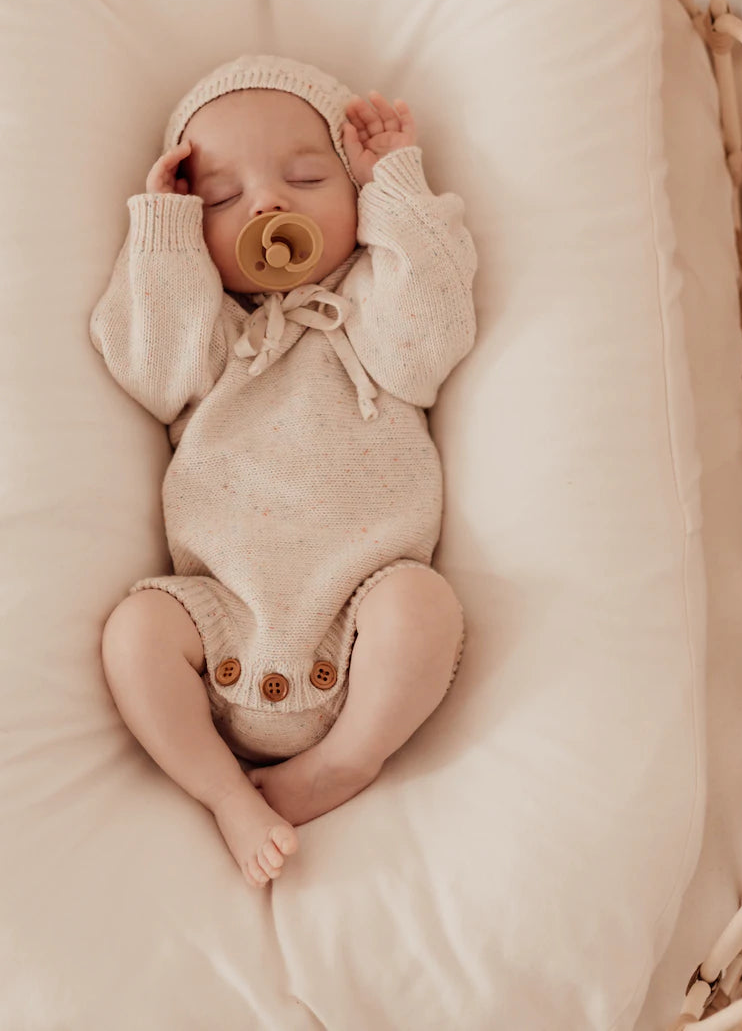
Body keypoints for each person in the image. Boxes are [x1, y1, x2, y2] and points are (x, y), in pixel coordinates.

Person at [88, 53, 478, 888]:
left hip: (360, 610)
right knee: (135, 633)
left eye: (305, 177)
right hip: (222, 612)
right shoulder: (216, 340)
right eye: (224, 198)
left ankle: (347, 759)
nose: (266, 204)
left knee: (426, 606)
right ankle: (226, 793)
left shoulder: (370, 317)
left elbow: (433, 329)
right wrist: (164, 228)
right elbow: (149, 364)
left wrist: (396, 188)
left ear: (352, 198)